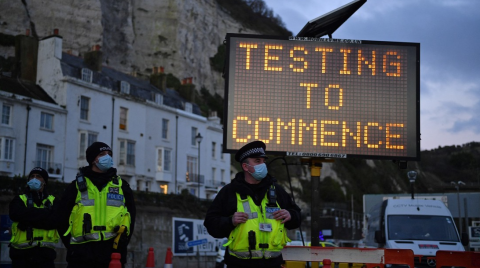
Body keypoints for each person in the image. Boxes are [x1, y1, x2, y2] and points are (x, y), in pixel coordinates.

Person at [204, 141, 301, 268]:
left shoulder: (276, 190)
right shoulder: (229, 192)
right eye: (257, 161)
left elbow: (297, 217)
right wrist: (230, 221)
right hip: (239, 264)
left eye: (263, 161)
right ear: (245, 166)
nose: (263, 165)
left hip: (273, 264)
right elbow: (210, 224)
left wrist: (291, 215)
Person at [56, 142, 136, 268]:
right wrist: (72, 246)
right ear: (93, 159)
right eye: (102, 154)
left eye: (109, 154)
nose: (107, 157)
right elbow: (61, 218)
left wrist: (122, 244)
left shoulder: (122, 186)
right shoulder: (76, 186)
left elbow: (131, 218)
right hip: (81, 255)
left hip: (112, 253)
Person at [9, 167, 59, 268]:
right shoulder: (19, 199)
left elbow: (56, 220)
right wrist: (45, 214)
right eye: (32, 176)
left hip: (45, 257)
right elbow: (15, 214)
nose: (34, 179)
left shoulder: (53, 201)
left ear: (44, 181)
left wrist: (27, 220)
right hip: (21, 256)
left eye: (38, 176)